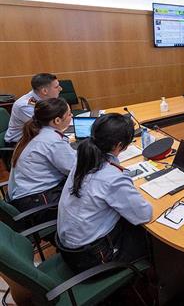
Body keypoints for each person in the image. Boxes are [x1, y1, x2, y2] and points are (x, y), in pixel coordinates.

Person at [57, 113, 153, 273]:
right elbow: (145, 214)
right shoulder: (112, 178)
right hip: (92, 258)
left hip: (68, 247)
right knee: (148, 234)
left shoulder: (83, 159)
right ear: (119, 146)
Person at [7, 98, 75, 224]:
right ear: (57, 120)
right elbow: (75, 170)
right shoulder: (53, 141)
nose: (72, 116)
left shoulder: (36, 133)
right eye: (69, 114)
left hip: (23, 197)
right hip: (38, 204)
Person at [5, 73, 62, 145]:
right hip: (18, 144)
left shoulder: (45, 99)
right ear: (44, 91)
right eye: (56, 87)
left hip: (36, 138)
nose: (60, 89)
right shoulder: (25, 106)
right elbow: (46, 126)